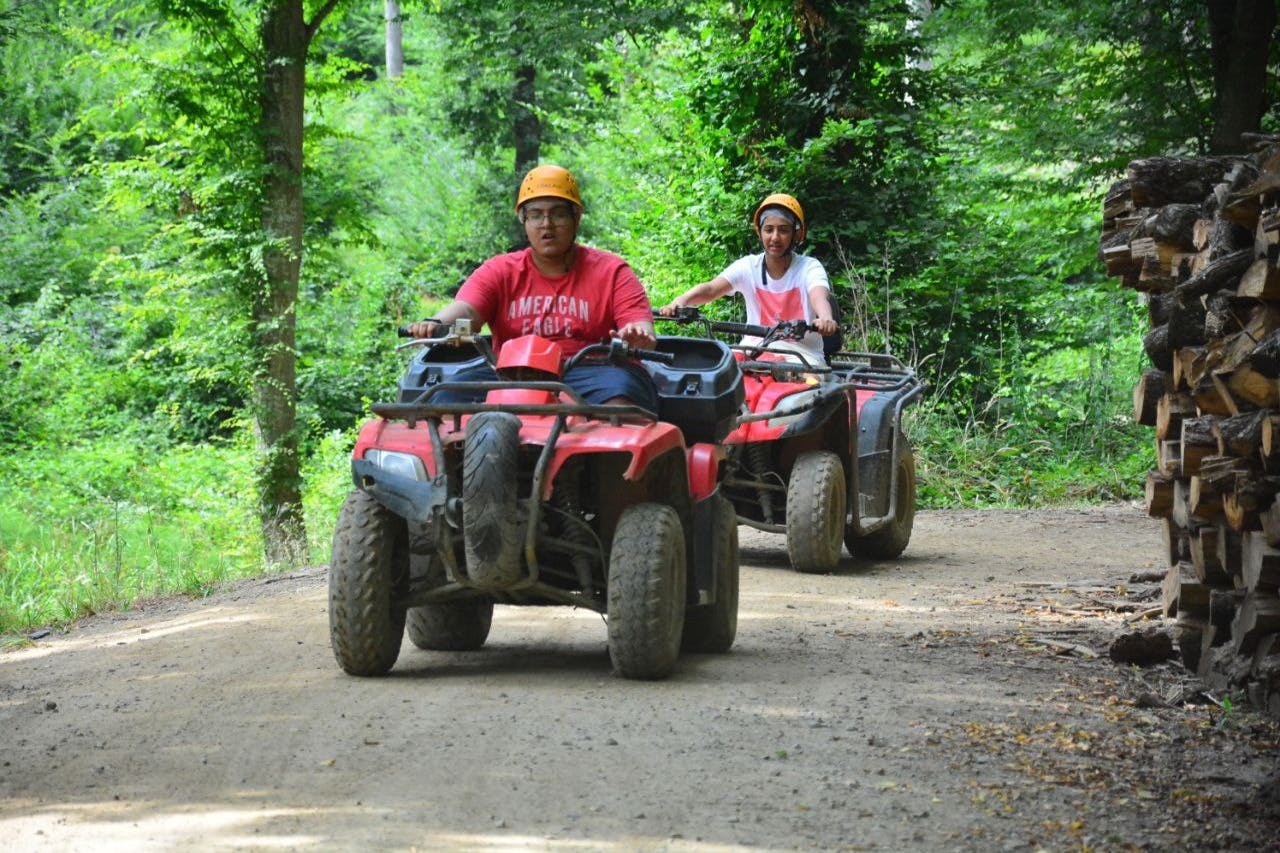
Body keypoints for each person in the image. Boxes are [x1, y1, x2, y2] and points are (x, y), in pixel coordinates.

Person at [406, 164, 658, 410]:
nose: (546, 224)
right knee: (445, 401)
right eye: (536, 214)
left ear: (576, 217)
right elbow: (467, 310)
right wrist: (435, 323)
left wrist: (637, 335)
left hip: (593, 370)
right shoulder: (500, 270)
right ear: (523, 220)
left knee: (621, 404)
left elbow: (639, 326)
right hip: (510, 373)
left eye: (558, 213)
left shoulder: (612, 271)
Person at [658, 193, 838, 361]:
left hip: (800, 356)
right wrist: (681, 300)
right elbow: (711, 289)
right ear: (759, 232)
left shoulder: (809, 267)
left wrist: (825, 318)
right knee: (718, 373)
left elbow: (819, 296)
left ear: (796, 234)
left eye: (783, 230)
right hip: (753, 351)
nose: (775, 237)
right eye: (769, 229)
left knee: (807, 383)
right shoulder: (747, 266)